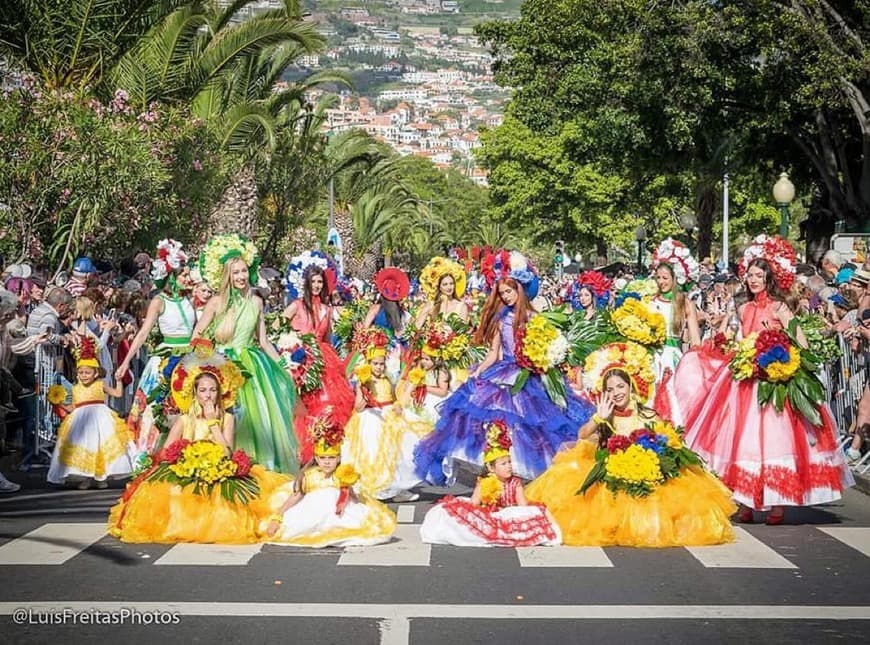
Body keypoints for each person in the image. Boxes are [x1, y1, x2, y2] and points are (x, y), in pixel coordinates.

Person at [677, 235, 854, 524]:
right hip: (746, 381)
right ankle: (746, 501)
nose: (754, 280)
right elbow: (738, 338)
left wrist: (785, 358)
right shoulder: (743, 308)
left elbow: (800, 340)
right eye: (751, 275)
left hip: (774, 382)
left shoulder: (779, 307)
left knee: (773, 444)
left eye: (760, 275)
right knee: (744, 444)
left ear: (769, 277)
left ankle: (775, 504)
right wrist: (727, 346)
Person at [414, 251, 595, 485]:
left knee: (534, 427)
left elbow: (545, 348)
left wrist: (546, 363)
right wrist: (478, 372)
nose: (506, 297)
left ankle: (527, 476)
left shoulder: (534, 317)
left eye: (509, 291)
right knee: (497, 422)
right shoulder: (501, 319)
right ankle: (502, 472)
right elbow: (493, 353)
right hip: (503, 372)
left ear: (519, 289)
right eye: (502, 293)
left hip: (530, 376)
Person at [526, 350, 736, 547]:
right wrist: (599, 417)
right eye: (610, 389)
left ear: (630, 386)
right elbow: (581, 436)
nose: (616, 393)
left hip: (644, 470)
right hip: (614, 471)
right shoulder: (606, 414)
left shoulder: (647, 415)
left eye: (620, 387)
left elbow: (666, 440)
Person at [108, 357, 285, 543]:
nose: (208, 395)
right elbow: (167, 452)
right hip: (188, 470)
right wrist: (186, 459)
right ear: (195, 393)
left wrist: (213, 423)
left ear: (219, 393)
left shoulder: (228, 418)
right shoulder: (185, 420)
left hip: (217, 470)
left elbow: (227, 452)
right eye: (203, 390)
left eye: (212, 390)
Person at [190, 234, 304, 474]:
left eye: (244, 271)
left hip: (251, 367)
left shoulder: (256, 302)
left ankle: (258, 469)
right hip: (221, 365)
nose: (241, 277)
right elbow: (197, 334)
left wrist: (283, 366)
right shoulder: (216, 303)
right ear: (227, 276)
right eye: (235, 273)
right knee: (229, 417)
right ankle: (224, 464)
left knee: (259, 417)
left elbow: (263, 340)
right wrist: (208, 358)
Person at [420, 420, 561, 547]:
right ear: (491, 468)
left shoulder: (515, 483)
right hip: (491, 514)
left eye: (509, 462)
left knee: (532, 514)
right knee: (456, 516)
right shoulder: (484, 482)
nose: (509, 466)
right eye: (504, 464)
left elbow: (523, 506)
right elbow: (474, 503)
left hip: (509, 513)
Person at [262, 416, 396, 547]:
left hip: (336, 516)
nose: (327, 462)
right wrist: (277, 517)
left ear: (338, 458)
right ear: (316, 458)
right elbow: (295, 496)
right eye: (323, 458)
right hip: (311, 515)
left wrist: (351, 492)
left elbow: (353, 499)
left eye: (331, 458)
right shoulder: (310, 476)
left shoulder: (341, 475)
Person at [116, 240, 195, 460]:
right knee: (156, 409)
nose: (188, 279)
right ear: (172, 277)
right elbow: (142, 333)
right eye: (184, 275)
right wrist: (125, 363)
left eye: (188, 275)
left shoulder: (191, 299)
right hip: (165, 360)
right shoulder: (159, 301)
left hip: (189, 359)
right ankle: (149, 455)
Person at [282, 253, 355, 463]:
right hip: (301, 358)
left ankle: (327, 445)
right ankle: (303, 449)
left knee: (329, 401)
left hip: (324, 359)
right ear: (306, 282)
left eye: (319, 281)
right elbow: (277, 328)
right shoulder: (296, 305)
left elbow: (329, 337)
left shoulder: (327, 309)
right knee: (303, 404)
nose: (316, 285)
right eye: (313, 281)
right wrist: (290, 346)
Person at [342, 341, 428, 501]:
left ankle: (397, 488)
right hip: (372, 419)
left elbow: (394, 397)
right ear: (368, 363)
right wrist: (362, 388)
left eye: (382, 364)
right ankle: (378, 488)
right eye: (375, 364)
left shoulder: (387, 379)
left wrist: (398, 406)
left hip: (389, 416)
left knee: (397, 452)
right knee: (375, 452)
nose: (379, 367)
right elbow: (359, 406)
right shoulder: (364, 381)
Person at [47, 337, 133, 489]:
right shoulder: (75, 388)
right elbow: (72, 407)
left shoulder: (101, 384)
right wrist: (59, 403)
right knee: (84, 446)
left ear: (95, 373)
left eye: (87, 372)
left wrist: (118, 380)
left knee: (100, 446)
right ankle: (85, 477)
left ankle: (101, 477)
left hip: (101, 418)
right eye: (81, 373)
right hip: (81, 421)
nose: (84, 375)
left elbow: (118, 393)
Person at [648, 239, 702, 424]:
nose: (661, 282)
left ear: (675, 279)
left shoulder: (684, 302)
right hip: (652, 356)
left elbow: (695, 339)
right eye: (658, 277)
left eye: (665, 278)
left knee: (673, 403)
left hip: (673, 358)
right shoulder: (650, 301)